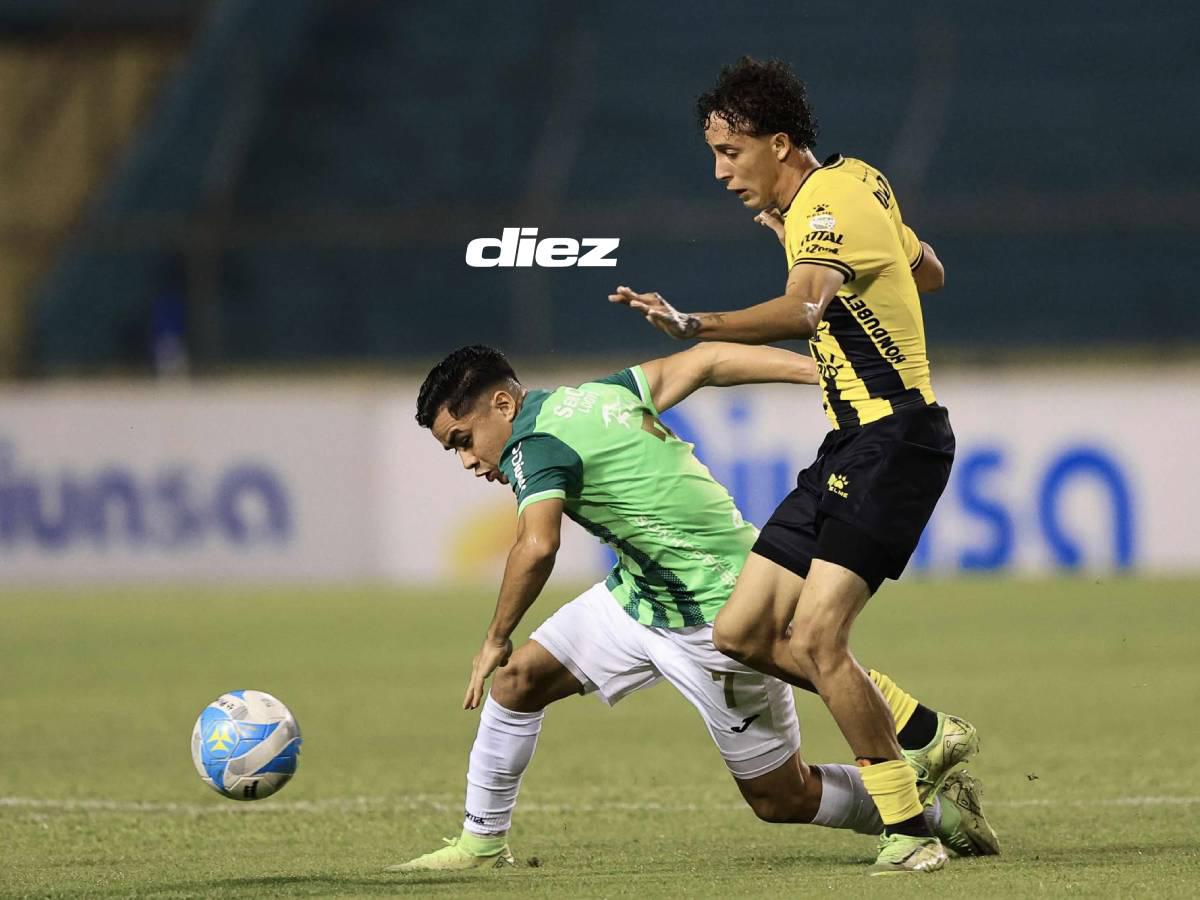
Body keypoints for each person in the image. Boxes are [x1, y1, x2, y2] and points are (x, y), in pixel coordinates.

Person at [387, 343, 996, 875]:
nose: (468, 461)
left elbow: (537, 544)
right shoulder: (597, 395)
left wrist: (495, 636)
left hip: (716, 612)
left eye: (463, 441)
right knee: (518, 682)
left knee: (780, 797)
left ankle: (933, 811)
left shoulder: (532, 446)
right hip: (637, 598)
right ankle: (481, 841)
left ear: (503, 405)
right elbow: (707, 361)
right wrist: (819, 372)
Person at [609, 56, 971, 873]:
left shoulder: (828, 205)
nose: (720, 172)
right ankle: (925, 731)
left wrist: (698, 323)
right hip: (851, 445)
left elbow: (806, 309)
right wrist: (845, 258)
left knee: (815, 636)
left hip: (895, 440)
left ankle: (909, 830)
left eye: (730, 151)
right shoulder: (856, 183)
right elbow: (931, 272)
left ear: (779, 143)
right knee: (740, 631)